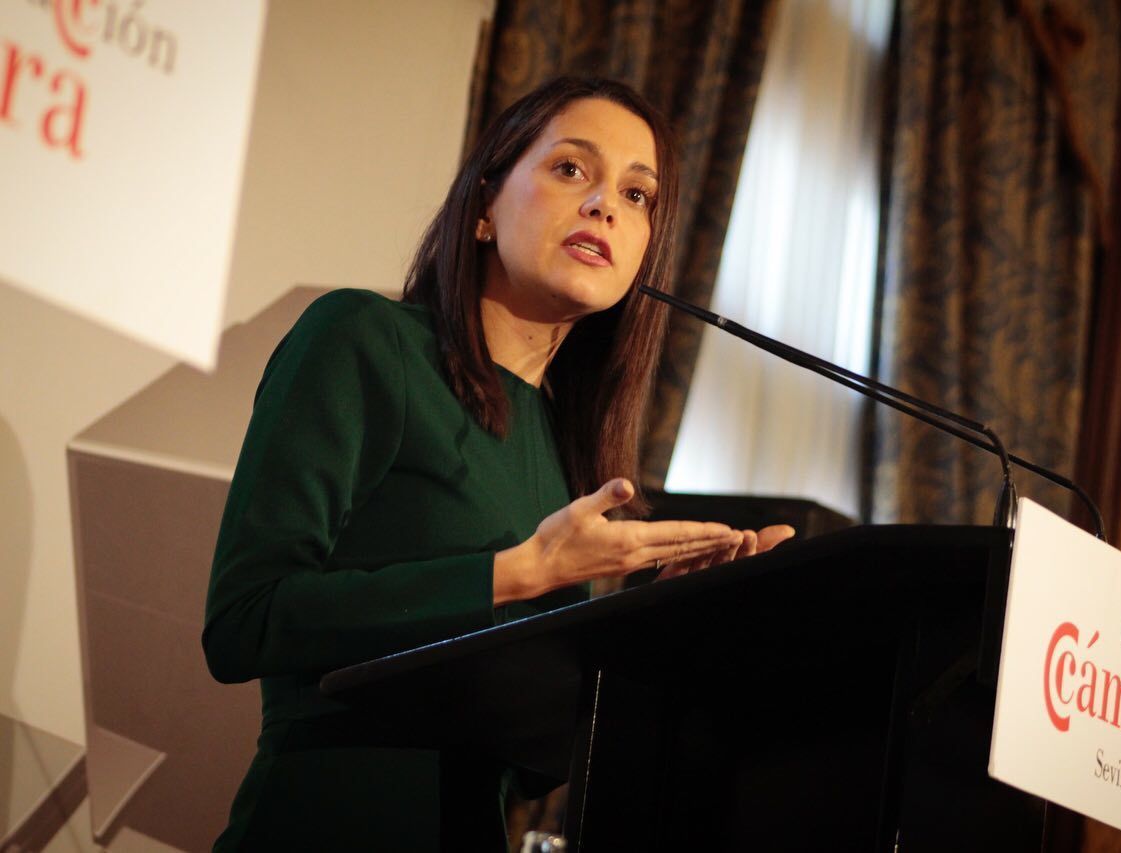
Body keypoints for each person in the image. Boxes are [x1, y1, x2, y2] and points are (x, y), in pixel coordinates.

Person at [202, 76, 794, 851]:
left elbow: (533, 758)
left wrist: (654, 633)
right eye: (571, 169)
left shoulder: (568, 453)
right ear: (484, 204)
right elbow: (243, 622)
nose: (604, 206)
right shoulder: (365, 342)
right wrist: (522, 569)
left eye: (638, 195)